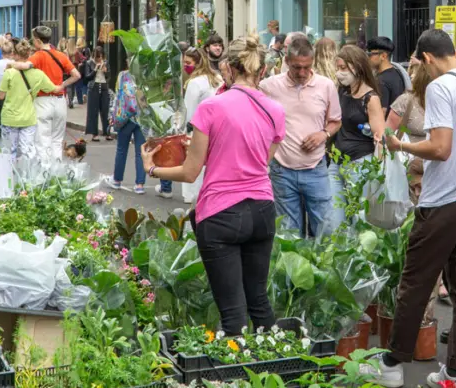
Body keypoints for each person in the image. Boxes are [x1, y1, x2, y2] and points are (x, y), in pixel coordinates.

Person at [367, 29, 456, 388]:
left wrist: (401, 145)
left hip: (444, 198)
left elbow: (440, 148)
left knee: (415, 281)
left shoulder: (441, 87)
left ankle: (393, 363)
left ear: (425, 58)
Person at [142, 35, 285, 335]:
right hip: (262, 210)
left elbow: (192, 171)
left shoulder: (212, 108)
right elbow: (262, 162)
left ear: (228, 69)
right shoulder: (276, 111)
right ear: (260, 71)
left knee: (232, 312)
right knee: (259, 301)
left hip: (221, 213)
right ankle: (272, 371)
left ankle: (236, 377)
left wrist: (152, 169)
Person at [261, 36, 342, 237]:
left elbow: (336, 121)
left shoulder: (326, 86)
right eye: (297, 67)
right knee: (289, 232)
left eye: (307, 67)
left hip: (315, 167)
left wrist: (323, 134)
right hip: (282, 169)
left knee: (325, 230)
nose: (303, 72)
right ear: (287, 62)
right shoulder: (269, 86)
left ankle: (322, 267)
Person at [328, 44, 386, 229]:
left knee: (358, 219)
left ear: (357, 67)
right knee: (335, 219)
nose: (339, 73)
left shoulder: (370, 98)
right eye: (337, 68)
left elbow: (380, 137)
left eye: (343, 68)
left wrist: (379, 168)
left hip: (360, 163)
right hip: (336, 162)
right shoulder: (341, 92)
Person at [0, 40, 61, 158]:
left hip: (10, 117)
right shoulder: (39, 74)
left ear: (15, 54)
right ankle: (26, 175)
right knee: (27, 152)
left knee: (9, 153)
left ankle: (10, 175)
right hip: (28, 118)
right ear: (29, 55)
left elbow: (1, 96)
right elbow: (54, 89)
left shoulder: (9, 73)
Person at [176, 46, 224, 203]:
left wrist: (182, 130)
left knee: (194, 167)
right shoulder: (218, 79)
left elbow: (188, 110)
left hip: (197, 130)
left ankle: (193, 200)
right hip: (218, 129)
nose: (185, 65)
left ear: (197, 63)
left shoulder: (194, 83)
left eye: (188, 62)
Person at [28, 26, 80, 159]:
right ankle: (57, 173)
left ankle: (45, 174)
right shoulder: (60, 55)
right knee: (57, 141)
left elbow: (25, 69)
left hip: (42, 100)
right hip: (59, 100)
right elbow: (76, 75)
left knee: (42, 141)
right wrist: (61, 86)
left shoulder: (37, 56)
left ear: (38, 41)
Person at [387, 55, 429, 204]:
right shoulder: (406, 100)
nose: (411, 76)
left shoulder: (442, 100)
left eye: (414, 73)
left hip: (437, 168)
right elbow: (387, 132)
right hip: (410, 166)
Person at [106, 62, 147, 194]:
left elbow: (119, 96)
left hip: (125, 116)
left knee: (121, 148)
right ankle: (140, 184)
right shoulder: (146, 76)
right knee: (141, 152)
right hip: (141, 117)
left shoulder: (123, 75)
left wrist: (113, 114)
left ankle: (117, 180)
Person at [367, 36, 407, 114]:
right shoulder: (399, 72)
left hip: (387, 125)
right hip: (398, 124)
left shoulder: (381, 80)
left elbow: (381, 112)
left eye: (370, 54)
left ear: (383, 56)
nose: (368, 58)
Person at [86, 46, 113, 143]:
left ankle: (107, 132)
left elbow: (109, 76)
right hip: (94, 88)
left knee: (105, 110)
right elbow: (87, 77)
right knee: (93, 111)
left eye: (101, 57)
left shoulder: (106, 63)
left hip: (104, 87)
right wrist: (95, 70)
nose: (100, 59)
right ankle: (94, 133)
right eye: (98, 57)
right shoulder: (89, 63)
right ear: (94, 56)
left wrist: (106, 71)